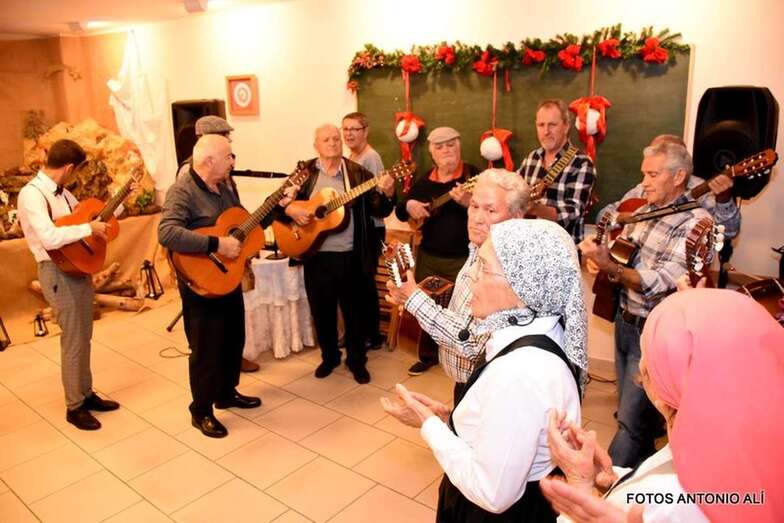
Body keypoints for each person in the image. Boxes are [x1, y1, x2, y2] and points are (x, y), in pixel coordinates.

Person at [382, 218, 587, 522]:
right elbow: (511, 427)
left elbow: (492, 493)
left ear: (524, 286)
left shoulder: (521, 373)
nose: (472, 280)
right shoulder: (536, 331)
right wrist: (450, 417)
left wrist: (429, 425)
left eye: (485, 269)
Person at [542, 289, 784, 523]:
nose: (642, 366)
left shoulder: (673, 504)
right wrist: (613, 480)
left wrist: (580, 486)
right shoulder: (743, 443)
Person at [580, 140, 712, 467]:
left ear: (679, 175)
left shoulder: (696, 222)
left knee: (629, 422)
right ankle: (640, 480)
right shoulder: (645, 209)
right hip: (625, 322)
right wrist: (602, 259)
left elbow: (659, 282)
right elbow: (621, 242)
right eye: (644, 174)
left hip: (654, 334)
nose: (644, 183)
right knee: (634, 414)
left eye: (653, 175)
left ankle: (608, 490)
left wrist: (610, 267)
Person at [159, 134, 275, 438]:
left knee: (232, 339)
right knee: (206, 349)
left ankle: (226, 393)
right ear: (209, 160)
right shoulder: (181, 191)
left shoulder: (223, 188)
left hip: (228, 279)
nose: (233, 161)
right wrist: (216, 243)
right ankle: (201, 410)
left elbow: (243, 225)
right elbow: (167, 233)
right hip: (201, 282)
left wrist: (275, 207)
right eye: (228, 156)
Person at [385, 168, 529, 399]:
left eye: (490, 210)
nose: (477, 218)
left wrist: (414, 299)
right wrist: (412, 299)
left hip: (488, 389)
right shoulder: (476, 248)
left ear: (517, 216)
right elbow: (464, 316)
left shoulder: (505, 266)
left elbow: (472, 343)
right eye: (474, 206)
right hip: (466, 383)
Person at [17, 139, 120, 430]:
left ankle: (86, 394)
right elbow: (50, 237)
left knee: (84, 334)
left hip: (76, 268)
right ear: (70, 168)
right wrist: (89, 228)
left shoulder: (63, 194)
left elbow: (89, 219)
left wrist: (118, 202)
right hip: (56, 272)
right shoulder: (32, 195)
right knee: (73, 339)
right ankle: (74, 406)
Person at [281, 124, 395, 384]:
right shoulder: (304, 172)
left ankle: (356, 360)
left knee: (354, 312)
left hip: (351, 256)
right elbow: (278, 202)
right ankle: (329, 356)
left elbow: (380, 209)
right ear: (316, 145)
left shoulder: (357, 174)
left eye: (336, 138)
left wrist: (387, 192)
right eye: (326, 139)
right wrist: (291, 211)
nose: (332, 142)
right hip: (315, 255)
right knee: (321, 311)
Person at [394, 126, 480, 376]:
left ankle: (462, 359)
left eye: (451, 145)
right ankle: (427, 355)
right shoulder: (425, 180)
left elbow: (492, 210)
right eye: (440, 147)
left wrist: (468, 203)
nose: (446, 151)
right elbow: (401, 210)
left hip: (464, 259)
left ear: (459, 146)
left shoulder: (475, 175)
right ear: (432, 153)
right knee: (425, 307)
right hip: (429, 257)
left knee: (463, 312)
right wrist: (410, 204)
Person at [603, 134, 740, 238]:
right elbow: (603, 217)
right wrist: (626, 218)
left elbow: (728, 232)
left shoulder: (701, 189)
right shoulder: (642, 188)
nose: (646, 181)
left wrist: (724, 200)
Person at [518, 99, 596, 244]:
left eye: (552, 125)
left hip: (562, 250)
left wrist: (536, 209)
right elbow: (513, 194)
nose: (546, 131)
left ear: (566, 126)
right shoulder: (530, 159)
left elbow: (573, 213)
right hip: (528, 244)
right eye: (541, 125)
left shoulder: (582, 163)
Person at [341, 111, 388, 351]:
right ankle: (356, 331)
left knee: (364, 283)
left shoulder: (371, 158)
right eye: (345, 129)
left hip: (370, 230)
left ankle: (372, 334)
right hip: (355, 231)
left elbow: (377, 202)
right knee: (354, 283)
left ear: (365, 132)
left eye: (354, 129)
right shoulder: (350, 156)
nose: (349, 134)